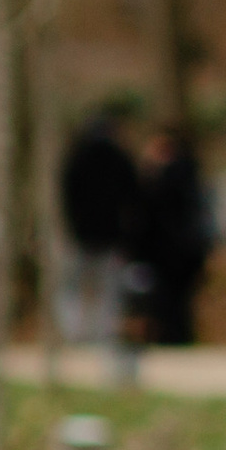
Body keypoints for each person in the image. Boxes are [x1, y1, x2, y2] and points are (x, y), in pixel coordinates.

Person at [57, 106, 142, 373]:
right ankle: (104, 331)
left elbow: (65, 194)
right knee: (107, 287)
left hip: (82, 233)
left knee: (75, 285)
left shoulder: (77, 156)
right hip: (109, 234)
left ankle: (76, 331)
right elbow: (134, 194)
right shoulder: (118, 157)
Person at [127, 124, 213, 348]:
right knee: (179, 302)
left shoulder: (167, 178)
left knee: (168, 302)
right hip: (187, 250)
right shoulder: (191, 175)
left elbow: (148, 212)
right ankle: (179, 338)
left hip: (169, 252)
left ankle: (173, 340)